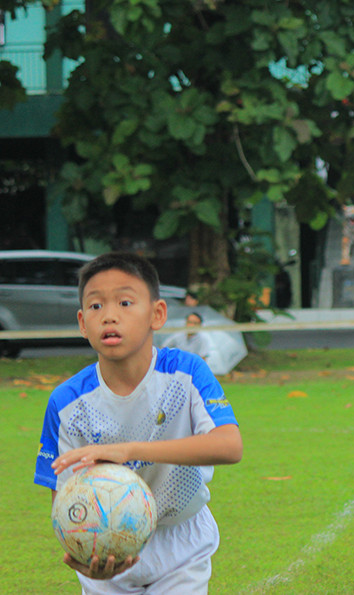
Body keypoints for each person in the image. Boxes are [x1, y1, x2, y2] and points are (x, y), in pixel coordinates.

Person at [33, 251, 243, 594]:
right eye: (96, 306)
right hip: (106, 547)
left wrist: (127, 450)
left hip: (180, 542)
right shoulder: (66, 402)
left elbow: (229, 445)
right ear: (83, 322)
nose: (109, 316)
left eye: (125, 302)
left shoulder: (186, 373)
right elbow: (64, 497)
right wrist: (80, 550)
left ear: (157, 314)